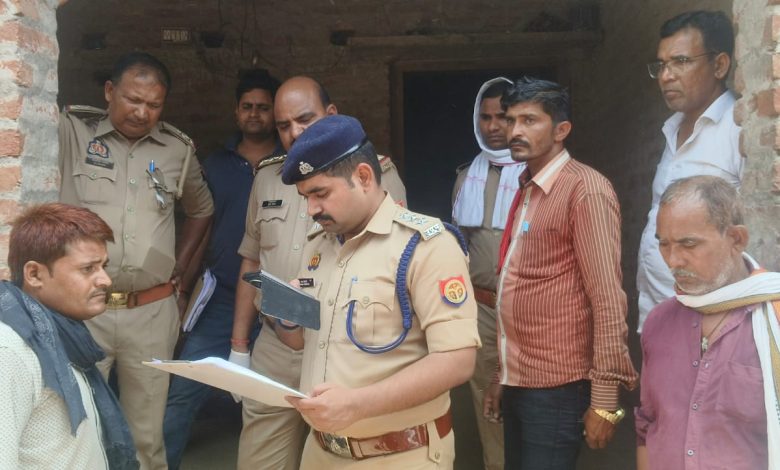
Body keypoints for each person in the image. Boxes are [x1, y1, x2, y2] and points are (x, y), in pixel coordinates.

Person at [274, 114, 480, 469]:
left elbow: (457, 361)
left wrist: (357, 405)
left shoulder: (425, 246)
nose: (311, 209)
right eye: (305, 197)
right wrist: (288, 318)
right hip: (320, 452)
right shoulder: (319, 245)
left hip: (400, 455)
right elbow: (303, 344)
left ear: (364, 177)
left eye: (320, 193)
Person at [229, 75, 407, 470]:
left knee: (342, 455)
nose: (294, 133)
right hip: (276, 345)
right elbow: (251, 260)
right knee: (260, 460)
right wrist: (239, 345)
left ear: (331, 113)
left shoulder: (374, 174)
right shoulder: (267, 178)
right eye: (283, 125)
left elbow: (390, 262)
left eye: (305, 119)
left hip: (341, 345)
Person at [59, 52, 214, 470]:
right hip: (81, 311)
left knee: (146, 437)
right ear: (109, 91)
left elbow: (202, 208)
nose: (142, 112)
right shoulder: (72, 132)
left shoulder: (177, 150)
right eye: (133, 100)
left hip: (150, 311)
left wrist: (180, 267)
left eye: (154, 105)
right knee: (77, 426)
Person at [483, 77, 638, 469]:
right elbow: (517, 288)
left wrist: (604, 400)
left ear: (561, 129)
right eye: (511, 120)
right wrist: (502, 376)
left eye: (529, 120)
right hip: (521, 380)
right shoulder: (528, 188)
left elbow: (607, 298)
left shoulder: (584, 190)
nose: (514, 131)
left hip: (558, 387)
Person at [162, 69, 281, 469]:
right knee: (185, 387)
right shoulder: (215, 164)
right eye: (247, 107)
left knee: (278, 395)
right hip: (223, 294)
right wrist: (183, 288)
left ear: (274, 113)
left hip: (277, 298)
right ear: (236, 112)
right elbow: (202, 226)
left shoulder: (291, 163)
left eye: (263, 108)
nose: (254, 114)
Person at [635, 175, 778, 470]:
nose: (673, 261)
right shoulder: (658, 323)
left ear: (736, 239)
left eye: (688, 244)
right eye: (664, 245)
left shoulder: (774, 318)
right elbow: (647, 426)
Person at [0, 203, 139, 470]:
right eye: (88, 269)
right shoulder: (9, 353)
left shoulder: (63, 333)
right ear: (34, 274)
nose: (105, 280)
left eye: (103, 266)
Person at [637, 10, 742, 331]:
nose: (666, 76)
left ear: (719, 65)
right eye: (661, 65)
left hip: (714, 318)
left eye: (681, 61)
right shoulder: (672, 129)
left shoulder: (739, 128)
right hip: (659, 311)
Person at [451, 76, 522, 470]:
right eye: (486, 117)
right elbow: (457, 245)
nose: (494, 126)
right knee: (486, 403)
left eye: (503, 116)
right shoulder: (467, 177)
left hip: (529, 309)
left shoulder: (538, 173)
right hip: (480, 309)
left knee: (530, 400)